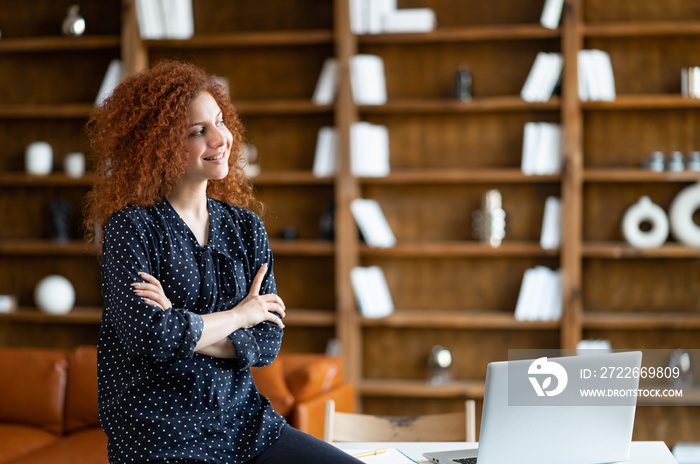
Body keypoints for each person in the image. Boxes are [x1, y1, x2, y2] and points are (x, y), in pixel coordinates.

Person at [85, 61, 361, 464]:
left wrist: (182, 323)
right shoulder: (131, 228)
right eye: (198, 132)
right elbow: (150, 337)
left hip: (244, 424)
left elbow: (267, 342)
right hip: (161, 435)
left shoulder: (246, 227)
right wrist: (241, 314)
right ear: (159, 146)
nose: (221, 139)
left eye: (219, 122)